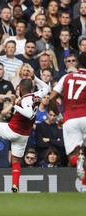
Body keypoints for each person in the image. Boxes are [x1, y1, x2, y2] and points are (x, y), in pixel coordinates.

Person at [49, 52, 86, 192]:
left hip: (70, 120)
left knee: (73, 156)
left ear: (78, 63)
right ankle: (84, 186)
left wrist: (60, 118)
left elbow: (51, 98)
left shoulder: (66, 77)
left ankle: (78, 165)